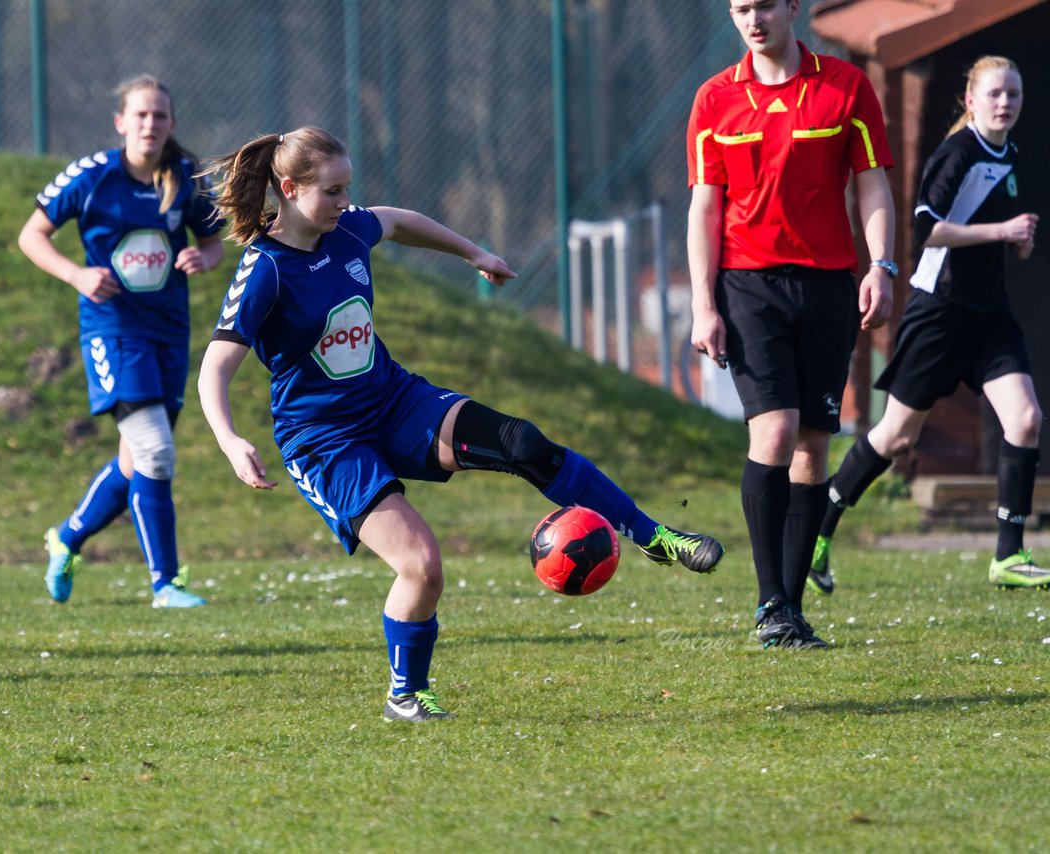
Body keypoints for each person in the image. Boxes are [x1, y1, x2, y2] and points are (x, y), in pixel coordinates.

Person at [198, 127, 724, 721]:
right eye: (333, 191)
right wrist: (230, 439)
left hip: (393, 400)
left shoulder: (344, 228)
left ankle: (653, 535)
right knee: (422, 565)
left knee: (521, 443)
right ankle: (406, 693)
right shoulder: (264, 269)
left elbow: (396, 220)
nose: (346, 203)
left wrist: (473, 252)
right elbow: (213, 370)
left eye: (348, 189)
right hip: (324, 442)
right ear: (289, 190)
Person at [686, 0, 896, 648]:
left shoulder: (845, 88)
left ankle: (792, 611)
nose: (754, 19)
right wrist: (703, 302)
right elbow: (705, 207)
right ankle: (769, 600)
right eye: (741, 8)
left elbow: (872, 185)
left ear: (793, 9)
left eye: (765, 5)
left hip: (830, 285)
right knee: (773, 432)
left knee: (811, 444)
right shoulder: (715, 99)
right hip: (748, 284)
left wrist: (880, 266)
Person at [811, 56, 1043, 590]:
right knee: (895, 437)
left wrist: (1019, 241)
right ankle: (818, 530)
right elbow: (927, 230)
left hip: (990, 317)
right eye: (994, 94)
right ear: (970, 100)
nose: (1005, 102)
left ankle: (1008, 557)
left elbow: (1002, 232)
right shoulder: (957, 153)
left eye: (1014, 93)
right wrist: (1001, 231)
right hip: (938, 311)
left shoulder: (1011, 155)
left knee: (1026, 419)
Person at [18, 75, 224, 608]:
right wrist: (77, 275)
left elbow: (214, 243)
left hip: (169, 334)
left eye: (159, 116)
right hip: (113, 331)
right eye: (140, 115)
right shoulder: (92, 177)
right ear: (121, 122)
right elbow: (31, 235)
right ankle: (166, 584)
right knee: (156, 451)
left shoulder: (183, 177)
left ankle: (66, 537)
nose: (150, 124)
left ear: (171, 124)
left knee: (138, 462)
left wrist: (205, 258)